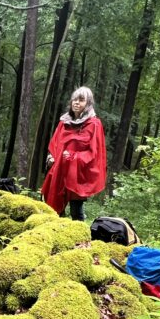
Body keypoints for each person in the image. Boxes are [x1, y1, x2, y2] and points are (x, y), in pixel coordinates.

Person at [40, 86, 107, 221]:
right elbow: (55, 143)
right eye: (74, 99)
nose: (76, 103)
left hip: (77, 174)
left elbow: (94, 152)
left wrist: (73, 157)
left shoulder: (94, 124)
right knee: (53, 209)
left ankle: (81, 233)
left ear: (88, 103)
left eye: (81, 100)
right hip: (59, 171)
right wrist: (51, 157)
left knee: (76, 210)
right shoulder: (64, 122)